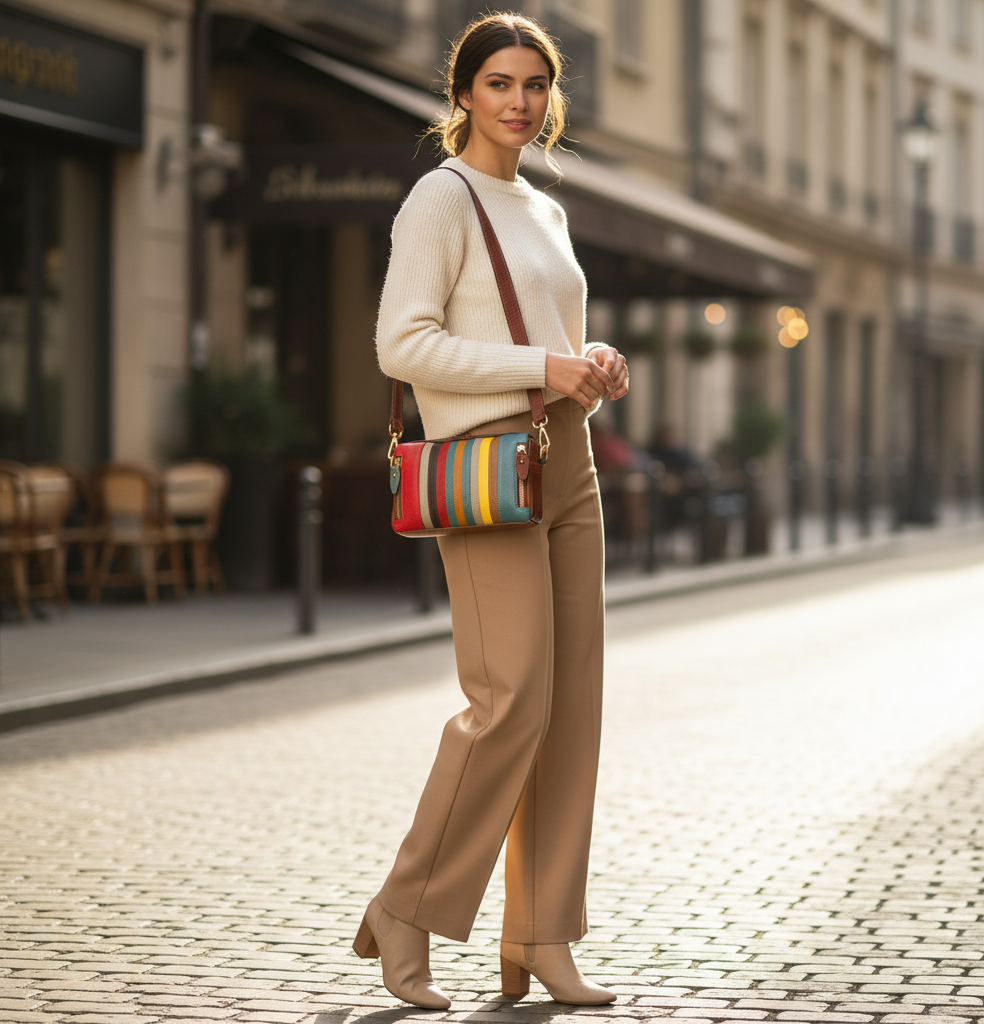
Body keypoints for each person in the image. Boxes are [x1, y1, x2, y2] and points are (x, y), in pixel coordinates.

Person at [361, 12, 629, 1009]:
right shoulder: (440, 197)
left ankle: (542, 935)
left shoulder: (547, 212)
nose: (519, 102)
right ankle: (407, 906)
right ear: (463, 93)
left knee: (570, 708)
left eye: (534, 85)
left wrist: (594, 365)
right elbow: (403, 342)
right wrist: (539, 365)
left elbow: (561, 345)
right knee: (509, 697)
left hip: (570, 464)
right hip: (484, 467)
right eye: (499, 84)